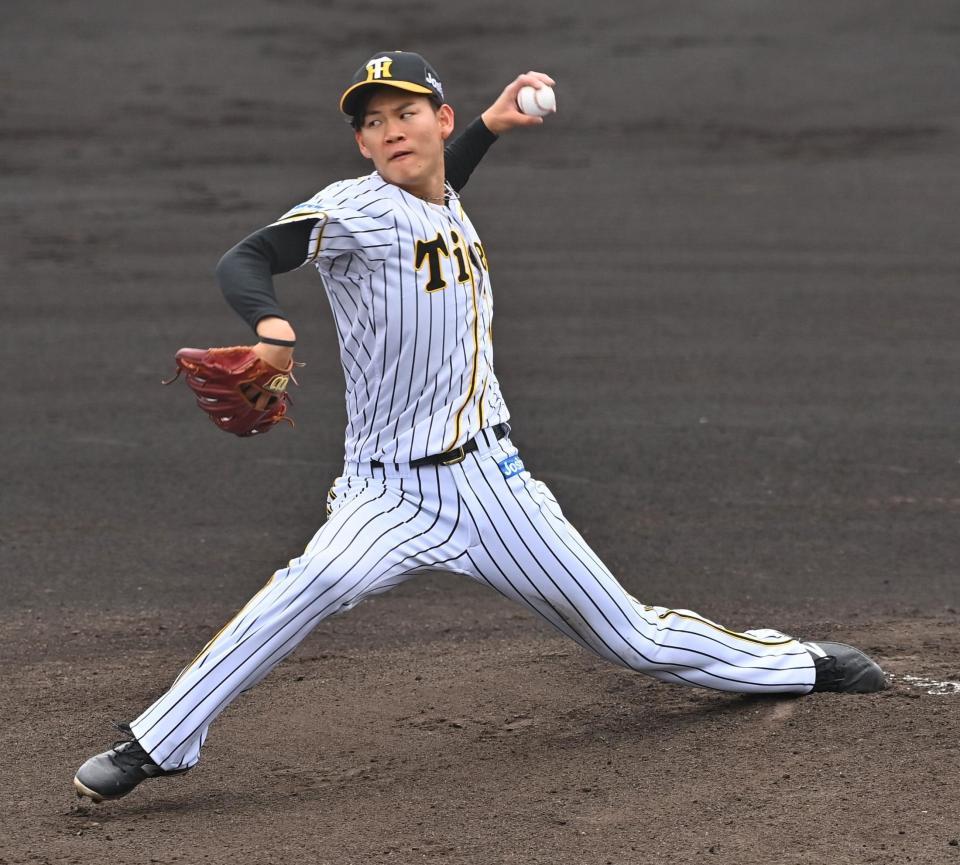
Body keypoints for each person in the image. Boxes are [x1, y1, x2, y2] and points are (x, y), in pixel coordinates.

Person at [74, 51, 885, 804]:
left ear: (438, 118)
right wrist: (272, 327)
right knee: (313, 582)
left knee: (630, 640)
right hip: (385, 491)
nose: (389, 128)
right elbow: (246, 257)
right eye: (372, 120)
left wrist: (490, 129)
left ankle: (796, 662)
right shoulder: (354, 209)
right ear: (361, 144)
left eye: (406, 112)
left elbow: (437, 187)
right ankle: (163, 740)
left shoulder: (440, 194)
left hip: (492, 487)